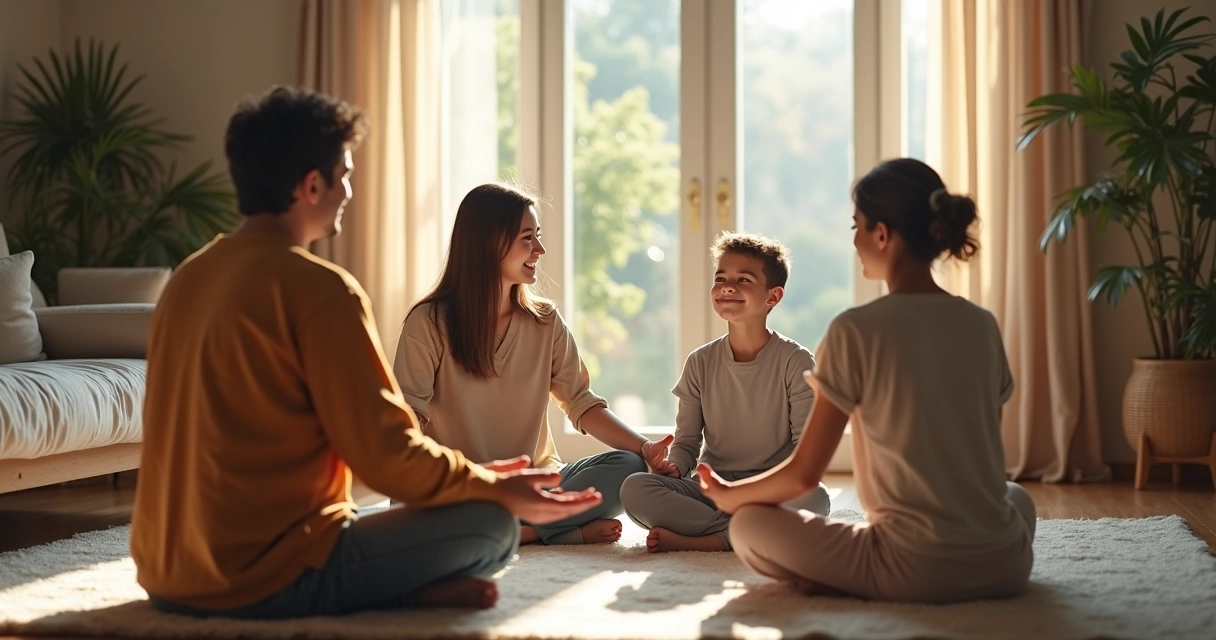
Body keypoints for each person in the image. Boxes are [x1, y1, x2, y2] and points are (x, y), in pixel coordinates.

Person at [130, 87, 601, 620]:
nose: (351, 191)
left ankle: (407, 590)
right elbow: (386, 457)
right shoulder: (321, 290)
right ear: (313, 185)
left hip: (164, 574)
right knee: (492, 526)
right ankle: (385, 594)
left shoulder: (188, 278)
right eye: (346, 175)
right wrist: (495, 487)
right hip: (265, 576)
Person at [699, 158, 1036, 603]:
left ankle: (847, 579)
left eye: (856, 225)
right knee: (1016, 497)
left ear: (882, 234)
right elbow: (988, 459)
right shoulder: (981, 323)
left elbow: (804, 475)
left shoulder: (854, 329)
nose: (854, 239)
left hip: (912, 568)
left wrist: (730, 495)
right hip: (1006, 565)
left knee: (748, 525)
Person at [392, 182, 676, 546]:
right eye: (528, 238)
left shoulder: (545, 322)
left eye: (537, 237)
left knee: (627, 469)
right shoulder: (428, 322)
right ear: (489, 243)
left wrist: (644, 448)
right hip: (463, 488)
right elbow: (406, 421)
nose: (539, 250)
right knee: (406, 501)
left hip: (533, 486)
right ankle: (552, 532)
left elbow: (581, 403)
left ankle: (515, 532)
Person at [619, 232, 831, 553]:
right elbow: (687, 442)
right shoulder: (699, 362)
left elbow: (806, 452)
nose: (728, 287)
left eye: (744, 279)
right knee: (634, 488)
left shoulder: (796, 361)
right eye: (721, 278)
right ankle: (741, 532)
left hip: (771, 488)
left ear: (772, 297)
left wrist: (760, 492)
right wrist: (675, 467)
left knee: (816, 498)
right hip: (712, 486)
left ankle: (708, 540)